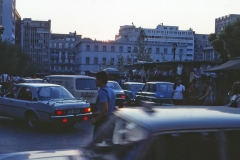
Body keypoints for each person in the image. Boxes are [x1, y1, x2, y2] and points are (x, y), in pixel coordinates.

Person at [91, 71, 116, 138]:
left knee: (96, 142)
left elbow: (105, 109)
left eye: (96, 79)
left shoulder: (102, 92)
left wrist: (96, 120)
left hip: (103, 122)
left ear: (100, 80)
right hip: (110, 121)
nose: (95, 81)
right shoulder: (110, 90)